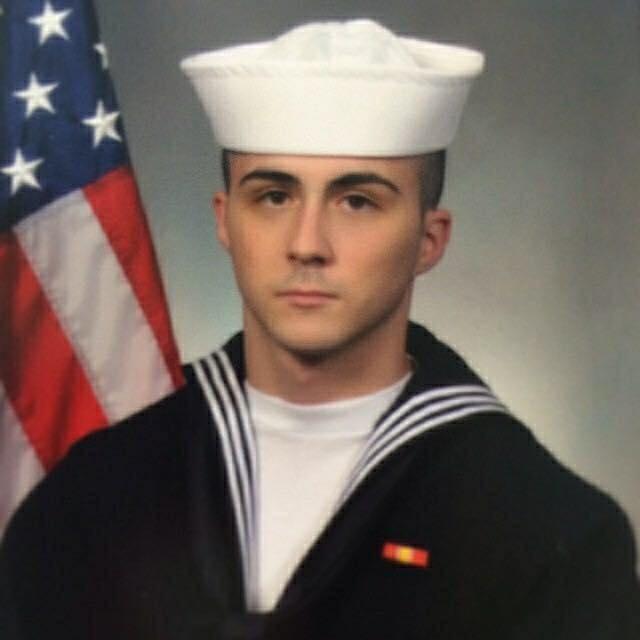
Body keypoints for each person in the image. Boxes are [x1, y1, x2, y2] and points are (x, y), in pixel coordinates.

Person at [1, 19, 639, 640]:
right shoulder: (94, 497)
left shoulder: (544, 529)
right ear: (225, 221)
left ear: (430, 238)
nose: (307, 244)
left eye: (357, 202)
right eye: (273, 197)